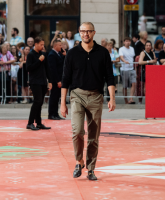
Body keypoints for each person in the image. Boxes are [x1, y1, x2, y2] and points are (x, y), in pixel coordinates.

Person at [61, 22, 116, 180]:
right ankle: (79, 161)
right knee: (77, 131)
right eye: (83, 31)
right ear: (79, 32)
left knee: (93, 136)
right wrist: (63, 103)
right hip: (77, 95)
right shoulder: (72, 54)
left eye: (89, 31)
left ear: (94, 33)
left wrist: (112, 98)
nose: (86, 34)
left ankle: (91, 169)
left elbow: (110, 78)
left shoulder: (103, 53)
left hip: (96, 96)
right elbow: (65, 79)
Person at [26, 37, 52, 131]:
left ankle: (39, 123)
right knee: (37, 101)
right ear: (35, 44)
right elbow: (29, 68)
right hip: (35, 81)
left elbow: (47, 69)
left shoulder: (43, 54)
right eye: (41, 44)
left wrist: (50, 81)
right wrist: (39, 61)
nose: (42, 46)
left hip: (43, 81)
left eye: (43, 44)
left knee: (40, 102)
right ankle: (30, 123)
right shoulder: (31, 55)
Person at [48, 39, 66, 120]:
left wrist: (64, 55)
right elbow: (53, 69)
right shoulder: (52, 55)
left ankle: (56, 114)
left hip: (59, 78)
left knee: (57, 97)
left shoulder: (58, 54)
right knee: (54, 97)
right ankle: (51, 114)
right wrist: (58, 80)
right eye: (59, 45)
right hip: (55, 80)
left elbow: (61, 63)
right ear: (55, 46)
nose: (61, 46)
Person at [119, 37, 136, 104]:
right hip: (124, 69)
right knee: (125, 86)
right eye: (126, 41)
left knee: (134, 83)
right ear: (124, 42)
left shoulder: (132, 49)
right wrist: (124, 61)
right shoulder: (121, 49)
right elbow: (121, 57)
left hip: (131, 68)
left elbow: (132, 57)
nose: (128, 42)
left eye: (129, 41)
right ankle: (126, 100)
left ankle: (131, 98)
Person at [134, 31, 148, 104]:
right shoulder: (138, 44)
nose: (147, 35)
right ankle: (140, 100)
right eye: (145, 34)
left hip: (147, 65)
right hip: (140, 66)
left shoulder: (148, 43)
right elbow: (136, 55)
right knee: (140, 83)